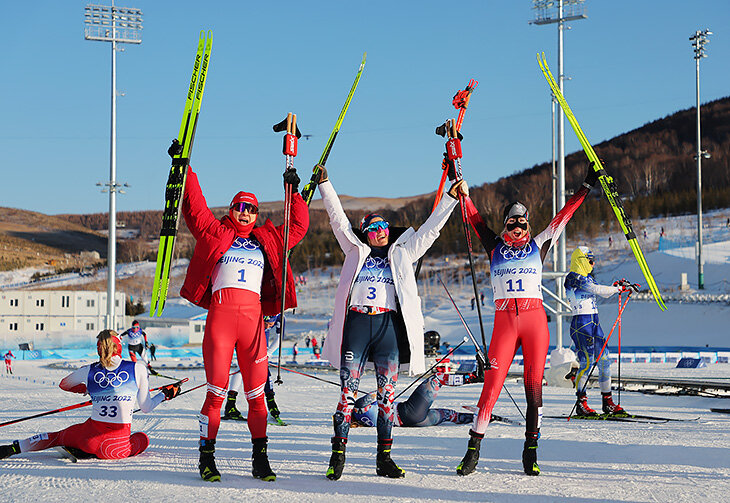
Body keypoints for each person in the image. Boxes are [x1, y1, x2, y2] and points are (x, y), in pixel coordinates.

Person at [316, 164, 468, 480]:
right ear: (364, 234)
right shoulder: (353, 250)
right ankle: (338, 455)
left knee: (387, 398)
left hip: (387, 330)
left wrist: (450, 200)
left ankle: (384, 458)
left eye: (383, 226)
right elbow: (337, 220)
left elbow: (429, 231)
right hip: (357, 326)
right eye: (372, 228)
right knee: (347, 393)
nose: (379, 232)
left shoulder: (403, 253)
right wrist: (326, 184)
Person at [455, 167, 598, 477]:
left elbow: (565, 215)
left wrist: (586, 186)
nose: (519, 226)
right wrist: (462, 191)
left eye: (523, 221)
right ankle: (473, 449)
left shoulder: (540, 243)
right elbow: (474, 218)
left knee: (534, 388)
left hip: (534, 321)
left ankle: (530, 451)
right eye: (513, 221)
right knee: (491, 387)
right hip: (505, 321)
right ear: (505, 224)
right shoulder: (494, 246)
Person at [177, 148, 308, 483]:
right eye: (239, 207)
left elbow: (298, 226)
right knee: (216, 394)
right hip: (221, 320)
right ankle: (207, 458)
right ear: (231, 210)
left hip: (253, 323)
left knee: (257, 395)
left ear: (256, 213)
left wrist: (292, 190)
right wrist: (185, 169)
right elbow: (194, 208)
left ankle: (260, 460)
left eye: (251, 208)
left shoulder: (268, 239)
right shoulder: (216, 232)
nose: (246, 213)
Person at [0, 330, 180, 461]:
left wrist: (84, 389)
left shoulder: (89, 369)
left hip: (88, 438)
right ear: (119, 346)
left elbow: (64, 384)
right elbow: (146, 407)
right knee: (143, 439)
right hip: (115, 447)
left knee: (57, 436)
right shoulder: (138, 367)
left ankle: (13, 448)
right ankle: (91, 451)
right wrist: (165, 394)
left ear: (99, 349)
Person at [565, 246, 628, 416]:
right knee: (587, 362)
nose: (593, 264)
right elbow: (596, 290)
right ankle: (581, 403)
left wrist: (617, 287)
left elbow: (603, 292)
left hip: (594, 323)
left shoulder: (587, 278)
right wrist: (617, 289)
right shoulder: (573, 277)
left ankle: (607, 402)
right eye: (590, 261)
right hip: (581, 324)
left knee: (605, 361)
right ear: (581, 261)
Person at [352, 372, 478, 429]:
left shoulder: (363, 421)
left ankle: (478, 418)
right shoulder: (358, 407)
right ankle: (473, 378)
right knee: (436, 379)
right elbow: (377, 394)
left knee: (448, 415)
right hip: (407, 411)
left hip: (412, 422)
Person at [223, 314, 285, 426]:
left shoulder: (280, 315)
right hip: (247, 337)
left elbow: (279, 338)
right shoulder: (256, 311)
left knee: (259, 366)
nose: (267, 327)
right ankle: (232, 405)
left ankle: (230, 405)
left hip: (262, 341)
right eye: (265, 324)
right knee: (242, 367)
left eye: (270, 325)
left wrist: (268, 354)